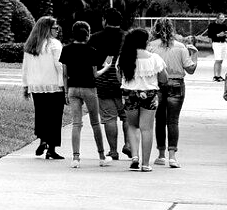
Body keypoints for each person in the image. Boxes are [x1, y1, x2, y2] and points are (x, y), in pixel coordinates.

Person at [147, 18, 197, 168]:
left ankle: (161, 155)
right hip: (176, 84)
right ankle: (173, 156)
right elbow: (191, 69)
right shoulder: (181, 47)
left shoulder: (150, 47)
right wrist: (194, 54)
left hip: (157, 84)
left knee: (160, 120)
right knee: (173, 121)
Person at [118, 27, 170, 172]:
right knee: (146, 129)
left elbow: (119, 77)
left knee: (132, 125)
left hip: (129, 94)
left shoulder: (124, 56)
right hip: (149, 94)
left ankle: (135, 157)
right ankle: (146, 164)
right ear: (146, 41)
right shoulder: (154, 58)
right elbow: (164, 78)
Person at [59, 20, 110, 167]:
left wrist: (65, 91)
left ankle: (75, 158)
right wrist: (106, 67)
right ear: (87, 35)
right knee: (95, 123)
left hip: (73, 88)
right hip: (89, 88)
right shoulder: (92, 51)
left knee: (76, 123)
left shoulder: (66, 50)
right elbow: (95, 74)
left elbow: (64, 73)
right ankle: (101, 156)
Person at [21, 15, 65, 160]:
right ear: (47, 29)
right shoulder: (54, 44)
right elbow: (60, 66)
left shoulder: (31, 45)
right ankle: (51, 149)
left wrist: (26, 85)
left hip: (36, 86)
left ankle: (43, 140)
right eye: (55, 28)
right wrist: (64, 85)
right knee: (54, 117)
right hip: (53, 85)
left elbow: (25, 68)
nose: (57, 30)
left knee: (41, 115)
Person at [91, 9, 129, 161]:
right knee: (127, 118)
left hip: (103, 82)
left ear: (105, 20)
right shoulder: (127, 37)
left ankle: (113, 151)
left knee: (109, 119)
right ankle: (128, 144)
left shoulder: (95, 37)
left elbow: (90, 59)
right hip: (125, 82)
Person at [206, 12, 227, 82]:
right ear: (217, 18)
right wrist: (218, 35)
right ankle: (215, 76)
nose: (222, 20)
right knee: (217, 60)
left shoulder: (224, 25)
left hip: (223, 43)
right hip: (216, 43)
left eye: (223, 19)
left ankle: (219, 75)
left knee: (221, 60)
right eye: (221, 19)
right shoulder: (212, 25)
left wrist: (225, 35)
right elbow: (210, 35)